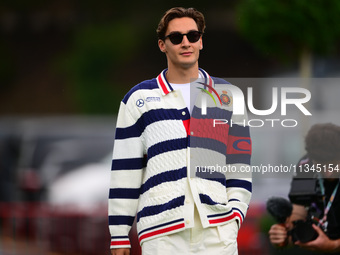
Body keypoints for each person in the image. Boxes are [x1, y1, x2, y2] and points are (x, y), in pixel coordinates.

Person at [108, 7, 252, 255]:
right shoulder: (138, 99)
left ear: (201, 41)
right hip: (161, 236)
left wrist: (235, 215)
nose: (186, 43)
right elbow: (126, 170)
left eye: (193, 36)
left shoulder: (228, 96)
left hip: (218, 233)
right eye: (176, 37)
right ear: (162, 45)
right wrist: (119, 235)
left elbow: (239, 165)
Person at [269, 123, 340, 254]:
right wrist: (285, 235)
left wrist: (333, 245)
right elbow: (298, 211)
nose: (328, 172)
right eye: (321, 166)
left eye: (333, 165)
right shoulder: (306, 165)